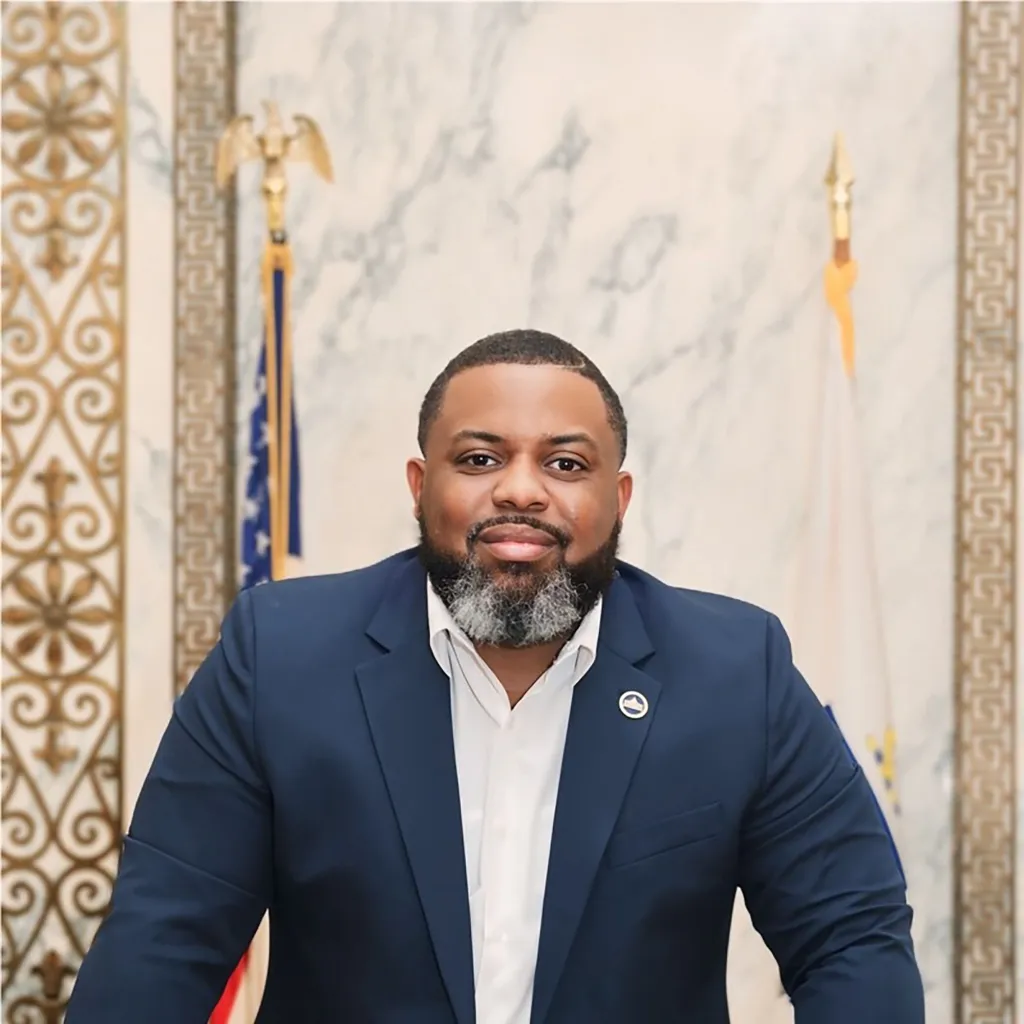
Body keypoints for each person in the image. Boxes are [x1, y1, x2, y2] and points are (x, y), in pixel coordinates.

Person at [67, 330, 925, 1023]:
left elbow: (850, 938)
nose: (521, 491)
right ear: (420, 485)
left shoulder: (737, 672)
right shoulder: (280, 655)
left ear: (620, 498)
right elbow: (165, 940)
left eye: (566, 464)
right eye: (480, 459)